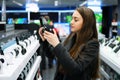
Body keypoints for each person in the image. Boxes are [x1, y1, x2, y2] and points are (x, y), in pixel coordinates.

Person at [39, 6, 100, 80]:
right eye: (72, 19)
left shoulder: (92, 44)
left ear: (86, 23)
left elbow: (75, 69)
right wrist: (45, 41)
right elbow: (52, 55)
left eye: (76, 20)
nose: (71, 22)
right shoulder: (71, 37)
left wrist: (57, 44)